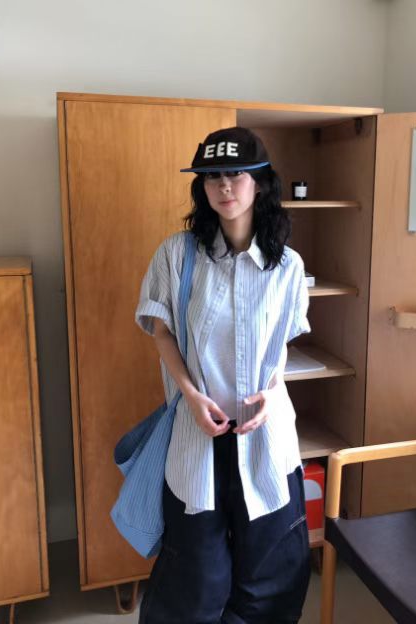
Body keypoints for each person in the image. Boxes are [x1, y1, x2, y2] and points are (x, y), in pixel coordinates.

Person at [136, 127, 311, 624]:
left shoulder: (287, 266)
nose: (224, 186)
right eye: (212, 176)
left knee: (270, 576)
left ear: (261, 182)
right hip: (198, 435)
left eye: (236, 174)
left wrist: (272, 391)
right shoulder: (177, 254)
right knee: (196, 576)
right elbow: (161, 332)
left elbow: (281, 344)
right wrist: (191, 397)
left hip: (265, 434)